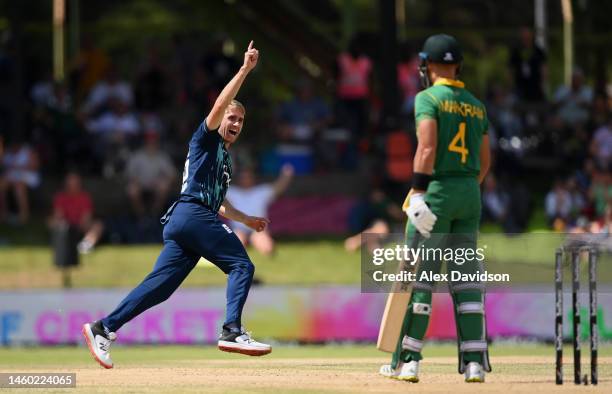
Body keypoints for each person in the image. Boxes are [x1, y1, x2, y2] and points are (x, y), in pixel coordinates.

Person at [82, 41, 271, 369]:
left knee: (159, 288)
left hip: (186, 220)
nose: (236, 123)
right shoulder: (206, 137)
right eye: (232, 117)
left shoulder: (224, 159)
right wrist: (244, 70)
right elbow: (219, 107)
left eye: (241, 120)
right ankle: (232, 331)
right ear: (219, 117)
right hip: (193, 215)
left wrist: (247, 219)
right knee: (242, 266)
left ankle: (103, 327)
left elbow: (220, 203)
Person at [379, 34, 491, 383]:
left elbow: (426, 149)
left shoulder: (427, 98)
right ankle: (474, 364)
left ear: (427, 66)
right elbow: (485, 162)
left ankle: (408, 361)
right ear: (458, 65)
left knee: (419, 278)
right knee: (466, 279)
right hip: (469, 193)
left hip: (437, 190)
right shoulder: (476, 105)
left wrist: (418, 193)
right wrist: (465, 188)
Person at [226, 165, 293, 256]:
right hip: (239, 229)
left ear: (253, 178)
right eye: (243, 177)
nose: (245, 179)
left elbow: (279, 187)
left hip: (257, 228)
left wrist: (286, 175)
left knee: (268, 249)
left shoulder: (261, 191)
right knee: (235, 249)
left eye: (248, 177)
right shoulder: (231, 192)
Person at [50, 172, 104, 254]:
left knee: (98, 225)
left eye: (75, 183)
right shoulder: (60, 197)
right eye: (70, 183)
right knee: (51, 222)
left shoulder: (85, 197)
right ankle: (60, 243)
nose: (73, 186)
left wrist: (80, 225)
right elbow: (58, 215)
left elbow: (87, 216)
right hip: (65, 226)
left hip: (81, 225)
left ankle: (85, 246)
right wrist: (63, 224)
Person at [125, 132, 176, 217]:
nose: (151, 144)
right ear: (145, 143)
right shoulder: (137, 155)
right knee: (132, 190)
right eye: (149, 142)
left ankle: (154, 214)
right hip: (140, 184)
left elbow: (172, 174)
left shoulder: (162, 156)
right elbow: (129, 173)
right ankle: (141, 216)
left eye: (153, 142)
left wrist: (164, 179)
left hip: (156, 185)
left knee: (164, 186)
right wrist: (136, 181)